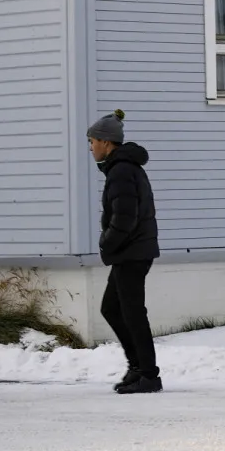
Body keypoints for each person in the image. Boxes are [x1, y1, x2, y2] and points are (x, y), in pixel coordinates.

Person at [88, 110, 163, 394]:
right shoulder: (122, 167)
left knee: (132, 313)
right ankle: (138, 368)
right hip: (132, 251)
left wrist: (106, 242)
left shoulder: (121, 170)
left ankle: (148, 374)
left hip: (132, 251)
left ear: (106, 142)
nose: (91, 147)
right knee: (112, 308)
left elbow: (125, 218)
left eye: (93, 141)